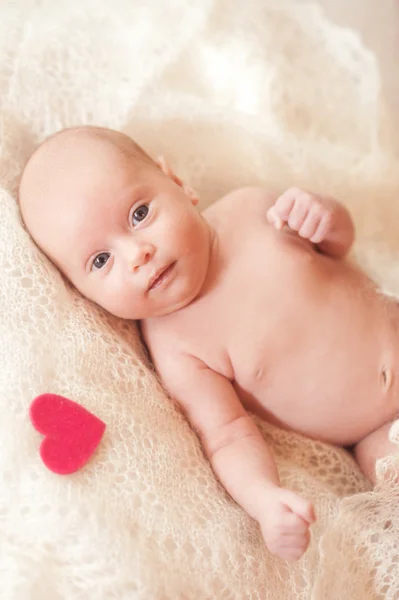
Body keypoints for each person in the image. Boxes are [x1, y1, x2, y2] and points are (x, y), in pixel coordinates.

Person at [18, 125, 399, 561]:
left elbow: (337, 248)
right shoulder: (177, 347)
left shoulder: (251, 208)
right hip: (376, 431)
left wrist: (325, 217)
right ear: (87, 295)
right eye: (101, 260)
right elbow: (228, 435)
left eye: (139, 214)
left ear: (177, 182)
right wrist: (263, 499)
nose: (137, 252)